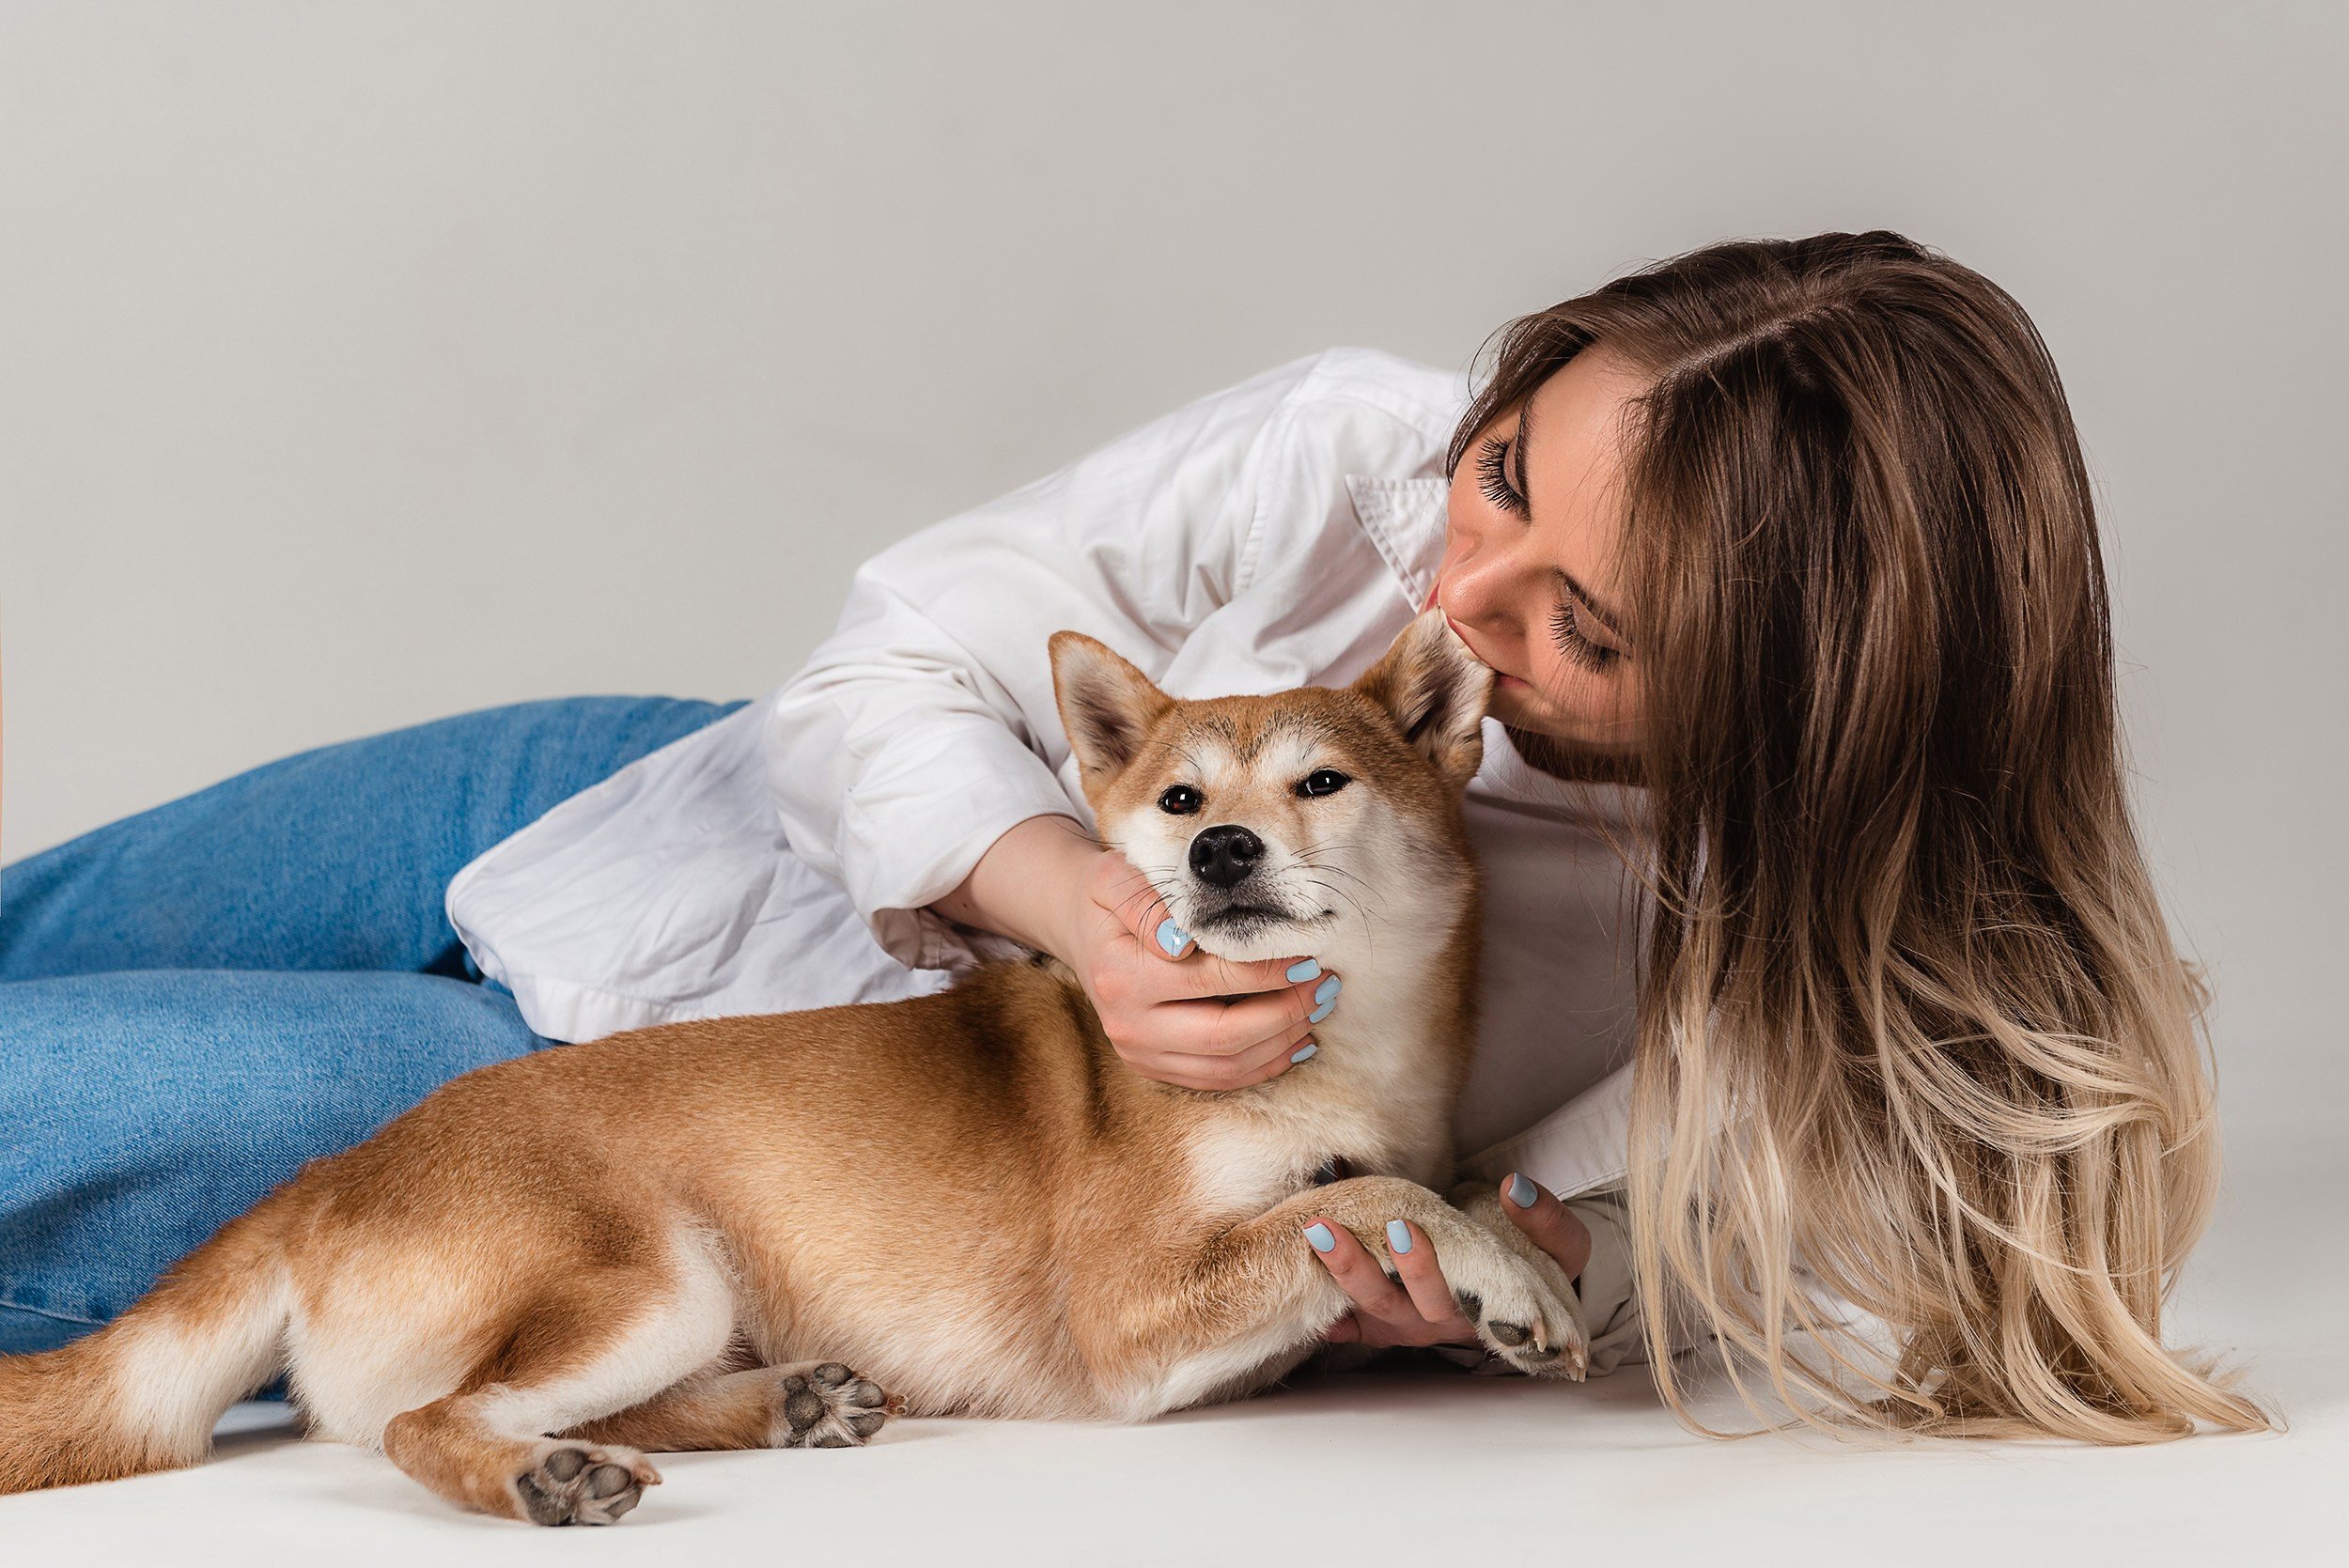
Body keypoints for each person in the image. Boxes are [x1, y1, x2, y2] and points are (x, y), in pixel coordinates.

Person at [0, 231, 2263, 1440]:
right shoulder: (1342, 445)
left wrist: (1470, 1292)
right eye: (1502, 474)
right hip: (625, 793)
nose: (1449, 596)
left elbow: (1556, 1250)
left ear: (1786, 719)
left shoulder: (1740, 974)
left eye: (1579, 624)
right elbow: (891, 660)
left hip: (710, 1118)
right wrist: (1067, 903)